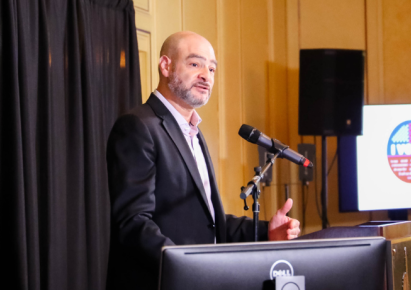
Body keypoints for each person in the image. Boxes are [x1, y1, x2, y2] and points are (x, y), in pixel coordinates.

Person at [106, 31, 300, 290]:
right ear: (166, 65)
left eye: (212, 69)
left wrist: (267, 231)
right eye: (195, 64)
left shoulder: (194, 133)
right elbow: (133, 223)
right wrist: (188, 267)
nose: (206, 76)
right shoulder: (138, 126)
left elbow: (210, 222)